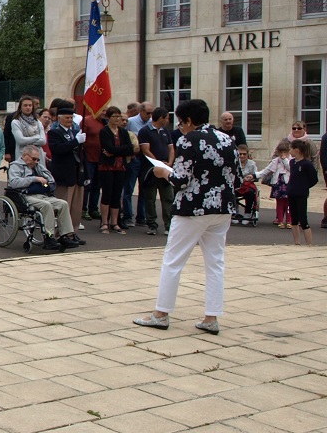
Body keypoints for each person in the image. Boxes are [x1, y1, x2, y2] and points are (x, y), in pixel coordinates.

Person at [135, 98, 242, 336]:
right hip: (222, 207)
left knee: (173, 260)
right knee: (215, 263)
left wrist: (164, 172)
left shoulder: (187, 140)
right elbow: (238, 177)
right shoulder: (227, 139)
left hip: (193, 208)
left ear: (190, 121)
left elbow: (181, 179)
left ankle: (161, 313)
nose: (180, 127)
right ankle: (211, 317)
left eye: (182, 122)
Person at [6, 147, 76, 250]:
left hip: (41, 194)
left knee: (63, 204)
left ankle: (64, 235)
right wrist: (34, 179)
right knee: (46, 205)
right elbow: (14, 183)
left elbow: (51, 180)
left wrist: (44, 181)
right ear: (25, 156)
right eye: (34, 159)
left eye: (38, 159)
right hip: (24, 195)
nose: (36, 161)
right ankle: (49, 237)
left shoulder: (38, 166)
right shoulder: (15, 166)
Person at [46, 105, 85, 245]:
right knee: (64, 205)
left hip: (76, 173)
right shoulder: (54, 133)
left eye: (71, 117)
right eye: (67, 118)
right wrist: (76, 142)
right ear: (60, 118)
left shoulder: (75, 131)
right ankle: (60, 234)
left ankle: (72, 233)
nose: (69, 120)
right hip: (63, 173)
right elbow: (58, 150)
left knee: (76, 207)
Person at [138, 107, 175, 235]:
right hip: (150, 169)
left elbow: (171, 148)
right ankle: (152, 224)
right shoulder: (145, 131)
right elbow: (145, 149)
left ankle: (169, 225)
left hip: (165, 168)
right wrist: (157, 162)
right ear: (161, 118)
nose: (168, 120)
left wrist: (169, 162)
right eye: (167, 118)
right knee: (150, 198)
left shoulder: (166, 131)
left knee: (168, 197)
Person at [98, 107, 134, 234]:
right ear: (109, 118)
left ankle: (115, 222)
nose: (118, 119)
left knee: (117, 194)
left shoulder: (123, 132)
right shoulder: (104, 131)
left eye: (119, 116)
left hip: (121, 166)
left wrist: (114, 151)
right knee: (107, 193)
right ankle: (104, 222)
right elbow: (108, 147)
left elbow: (130, 148)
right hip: (107, 166)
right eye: (114, 116)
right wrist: (118, 150)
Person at [288, 139, 318, 245]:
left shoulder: (306, 164)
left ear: (297, 150)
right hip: (291, 193)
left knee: (303, 219)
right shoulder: (292, 162)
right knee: (294, 219)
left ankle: (309, 243)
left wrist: (304, 186)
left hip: (301, 194)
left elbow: (314, 179)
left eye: (291, 149)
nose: (289, 151)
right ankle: (296, 242)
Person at [259, 141, 293, 229]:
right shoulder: (275, 161)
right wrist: (256, 175)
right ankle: (280, 220)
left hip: (288, 182)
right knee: (280, 203)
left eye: (285, 152)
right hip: (278, 183)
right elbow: (266, 170)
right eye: (281, 152)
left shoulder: (291, 160)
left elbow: (290, 168)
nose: (282, 154)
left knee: (289, 203)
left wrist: (285, 159)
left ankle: (289, 220)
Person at [233, 145, 259, 225]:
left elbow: (256, 176)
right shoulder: (234, 162)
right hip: (236, 184)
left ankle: (247, 213)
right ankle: (235, 213)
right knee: (230, 192)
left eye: (244, 154)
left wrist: (251, 178)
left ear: (247, 154)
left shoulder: (252, 163)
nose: (242, 156)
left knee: (250, 192)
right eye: (240, 154)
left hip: (247, 185)